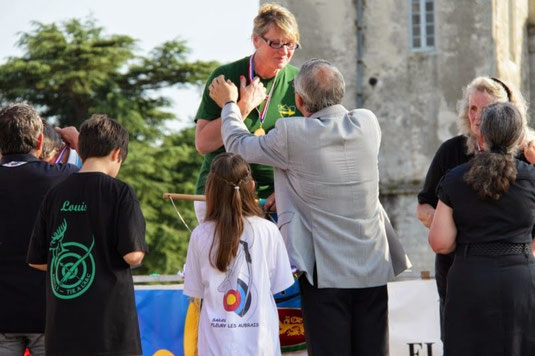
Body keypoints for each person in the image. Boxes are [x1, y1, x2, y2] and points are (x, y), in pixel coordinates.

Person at [210, 58, 410, 355]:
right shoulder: (368, 123)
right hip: (372, 265)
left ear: (300, 100)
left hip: (324, 271)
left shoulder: (293, 133)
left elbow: (238, 144)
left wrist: (230, 105)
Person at [416, 76, 533, 339]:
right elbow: (424, 207)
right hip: (459, 269)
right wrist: (452, 224)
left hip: (513, 268)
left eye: (486, 109)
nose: (477, 117)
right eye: (472, 108)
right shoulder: (451, 152)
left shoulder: (527, 156)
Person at [26, 114, 148, 356]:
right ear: (116, 154)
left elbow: (37, 260)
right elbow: (133, 255)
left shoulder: (56, 193)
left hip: (63, 328)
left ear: (81, 152)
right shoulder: (120, 192)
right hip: (110, 329)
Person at [193, 3, 302, 223]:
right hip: (222, 194)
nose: (284, 52)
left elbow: (309, 149)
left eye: (290, 44)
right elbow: (203, 143)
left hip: (277, 201)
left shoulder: (301, 82)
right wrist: (242, 106)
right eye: (275, 43)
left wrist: (288, 194)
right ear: (256, 40)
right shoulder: (226, 76)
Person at [183, 152, 294, 355]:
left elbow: (195, 291)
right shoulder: (268, 230)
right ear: (251, 187)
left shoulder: (200, 234)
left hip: (216, 348)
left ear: (210, 190)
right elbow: (281, 284)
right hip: (261, 347)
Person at [0, 104, 79, 356]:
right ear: (40, 140)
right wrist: (79, 142)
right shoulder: (64, 176)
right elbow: (101, 179)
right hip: (47, 313)